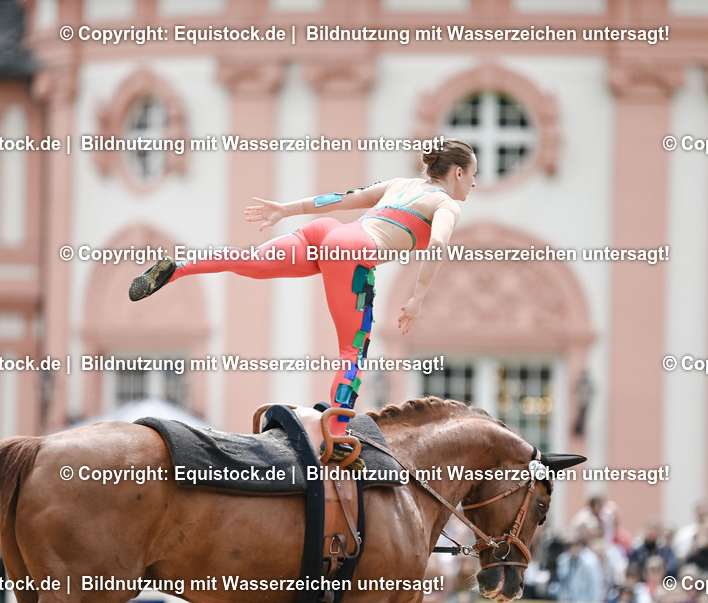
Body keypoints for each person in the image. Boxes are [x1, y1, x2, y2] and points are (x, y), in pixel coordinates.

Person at [129, 139, 476, 457]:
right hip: (352, 253)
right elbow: (438, 244)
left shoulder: (401, 184)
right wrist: (416, 298)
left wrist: (286, 209)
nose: (473, 184)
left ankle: (179, 267)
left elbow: (342, 198)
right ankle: (337, 438)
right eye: (472, 175)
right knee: (352, 351)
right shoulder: (445, 204)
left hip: (328, 231)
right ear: (457, 172)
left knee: (250, 261)